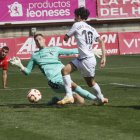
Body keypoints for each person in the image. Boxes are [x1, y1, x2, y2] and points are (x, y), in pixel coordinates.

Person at [10, 33, 99, 104]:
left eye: (40, 39)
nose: (38, 41)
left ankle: (56, 100)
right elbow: (27, 72)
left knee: (81, 102)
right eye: (36, 41)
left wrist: (89, 52)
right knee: (75, 87)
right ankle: (97, 99)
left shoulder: (55, 49)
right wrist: (20, 65)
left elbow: (71, 51)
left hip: (64, 77)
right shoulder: (35, 56)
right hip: (54, 82)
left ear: (44, 40)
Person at [57, 7, 108, 105]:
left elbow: (65, 38)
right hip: (83, 58)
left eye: (75, 16)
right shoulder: (92, 28)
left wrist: (66, 37)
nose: (74, 18)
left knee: (90, 83)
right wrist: (103, 57)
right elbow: (101, 41)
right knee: (65, 70)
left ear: (79, 16)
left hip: (87, 60)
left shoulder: (77, 24)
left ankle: (100, 98)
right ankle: (69, 96)